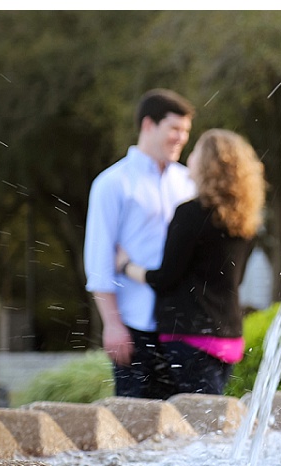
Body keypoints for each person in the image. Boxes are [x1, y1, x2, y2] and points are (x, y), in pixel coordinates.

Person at [116, 129, 266, 395]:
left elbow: (164, 279)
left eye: (196, 151)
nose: (190, 156)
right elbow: (236, 279)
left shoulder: (189, 214)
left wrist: (126, 265)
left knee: (200, 422)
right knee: (209, 415)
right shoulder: (247, 223)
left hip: (190, 337)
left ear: (208, 164)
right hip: (229, 337)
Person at [84, 88, 196, 399]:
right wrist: (112, 324)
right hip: (134, 325)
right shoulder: (112, 183)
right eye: (174, 129)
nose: (181, 138)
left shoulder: (188, 183)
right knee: (134, 426)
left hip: (181, 327)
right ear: (149, 125)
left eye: (185, 131)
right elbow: (99, 259)